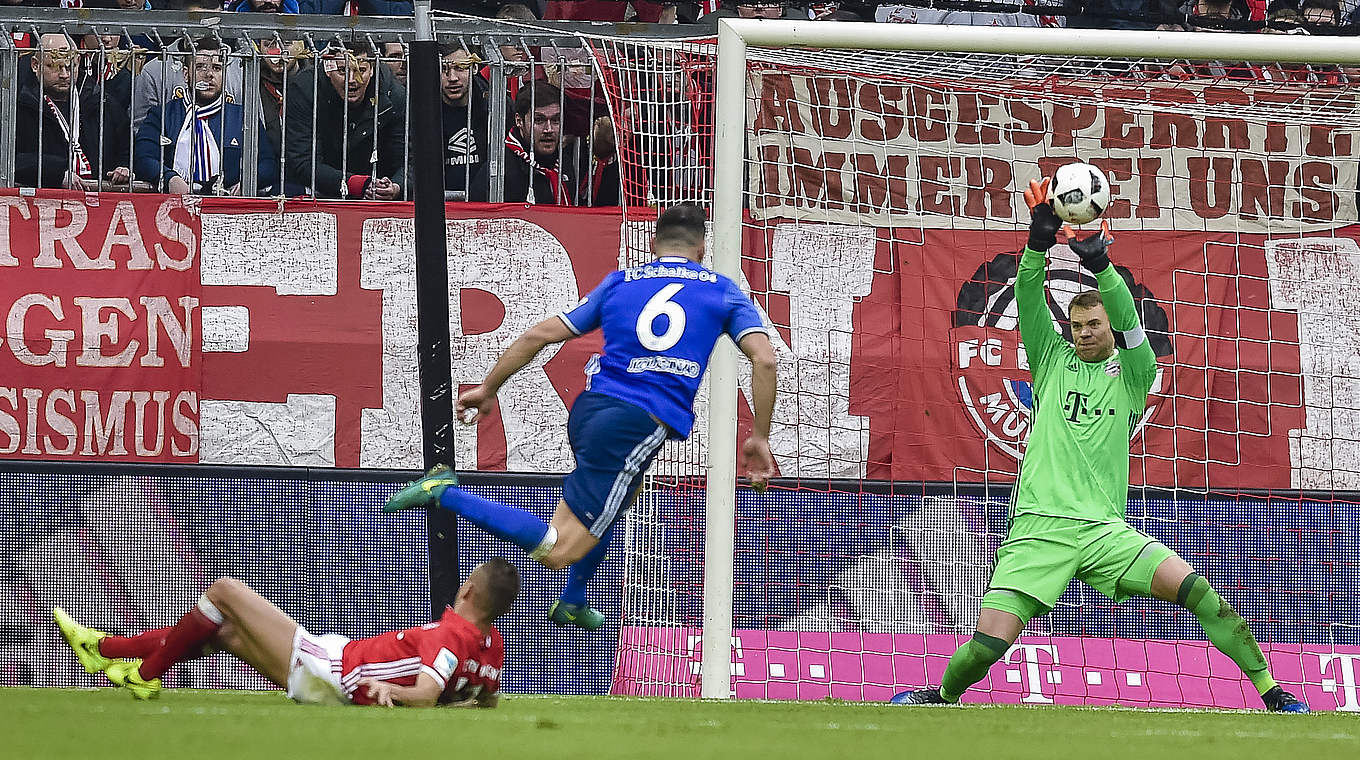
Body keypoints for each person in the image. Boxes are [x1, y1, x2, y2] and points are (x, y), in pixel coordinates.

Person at [889, 179, 1309, 713]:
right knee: (989, 645)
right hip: (1040, 528)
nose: (1084, 331)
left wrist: (1102, 265)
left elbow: (1132, 325)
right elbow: (1026, 297)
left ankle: (1272, 692)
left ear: (1110, 326)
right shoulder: (1050, 359)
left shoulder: (1134, 373)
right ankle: (942, 695)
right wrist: (1037, 246)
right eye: (1078, 324)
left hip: (1106, 531)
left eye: (1094, 324)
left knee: (1203, 595)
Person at [385, 204, 778, 631]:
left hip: (591, 410)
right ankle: (446, 492)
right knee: (559, 549)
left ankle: (573, 598)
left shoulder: (620, 282)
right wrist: (759, 436)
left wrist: (488, 387)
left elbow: (540, 334)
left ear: (651, 244)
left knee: (623, 496)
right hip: (638, 422)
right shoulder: (722, 291)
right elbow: (765, 361)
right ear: (703, 249)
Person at [53, 557, 518, 705]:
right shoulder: (491, 646)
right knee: (223, 632)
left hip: (334, 668)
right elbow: (486, 696)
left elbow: (428, 691)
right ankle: (103, 649)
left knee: (224, 591)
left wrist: (393, 692)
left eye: (467, 579)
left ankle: (144, 673)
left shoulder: (450, 633)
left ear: (472, 591)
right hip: (334, 677)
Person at [134, 40, 279, 195]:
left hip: (226, 206)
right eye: (200, 67)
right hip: (172, 206)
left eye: (217, 68)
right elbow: (143, 157)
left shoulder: (243, 118)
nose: (209, 74)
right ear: (185, 73)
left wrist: (247, 182)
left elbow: (267, 164)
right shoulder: (162, 115)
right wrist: (169, 178)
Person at [284, 41, 407, 200]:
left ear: (372, 71)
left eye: (361, 70)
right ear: (328, 69)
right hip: (320, 191)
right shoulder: (305, 88)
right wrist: (357, 184)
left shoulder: (392, 92)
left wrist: (397, 186)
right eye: (342, 71)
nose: (352, 80)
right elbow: (302, 160)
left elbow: (408, 156)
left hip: (376, 188)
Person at [16, 34, 129, 190]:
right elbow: (9, 159)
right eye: (54, 67)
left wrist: (124, 166)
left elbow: (127, 146)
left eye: (71, 67)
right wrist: (55, 173)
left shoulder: (102, 101)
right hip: (45, 203)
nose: (64, 75)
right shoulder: (17, 104)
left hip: (100, 204)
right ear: (35, 65)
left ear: (79, 62)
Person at [469, 81, 574, 205]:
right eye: (539, 120)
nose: (549, 129)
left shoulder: (564, 162)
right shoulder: (499, 170)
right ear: (519, 120)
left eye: (556, 120)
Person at [437, 44, 501, 197]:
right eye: (443, 69)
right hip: (435, 208)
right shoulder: (418, 109)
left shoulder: (496, 106)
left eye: (460, 68)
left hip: (485, 206)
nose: (452, 78)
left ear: (474, 68)